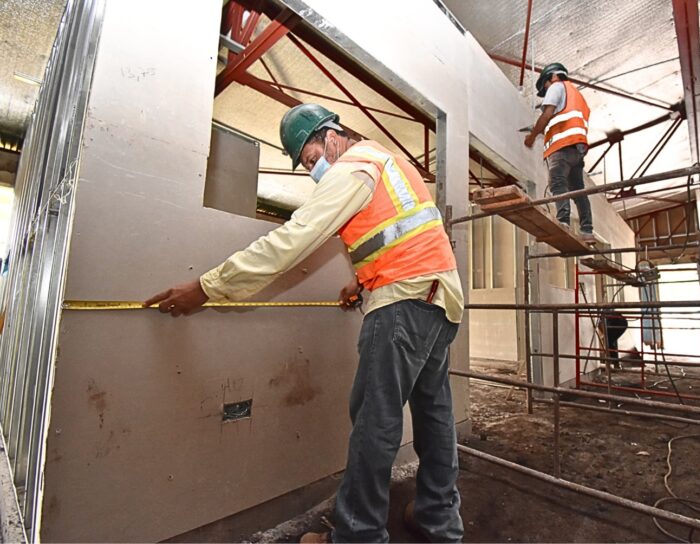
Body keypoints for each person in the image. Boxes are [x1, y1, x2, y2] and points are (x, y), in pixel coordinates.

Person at [144, 104, 465, 543]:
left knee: (375, 423)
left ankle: (357, 536)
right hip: (440, 302)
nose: (314, 169)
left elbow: (290, 242)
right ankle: (438, 518)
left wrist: (206, 287)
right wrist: (361, 279)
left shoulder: (351, 168)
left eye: (312, 159)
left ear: (331, 134)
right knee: (435, 417)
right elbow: (402, 234)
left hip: (401, 307)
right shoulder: (386, 161)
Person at [524, 62, 595, 244]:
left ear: (553, 77)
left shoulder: (556, 86)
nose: (547, 90)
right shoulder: (576, 95)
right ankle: (587, 230)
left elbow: (548, 114)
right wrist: (541, 129)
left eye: (545, 86)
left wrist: (532, 137)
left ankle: (563, 221)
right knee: (578, 190)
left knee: (557, 183)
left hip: (562, 148)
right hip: (577, 149)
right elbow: (560, 118)